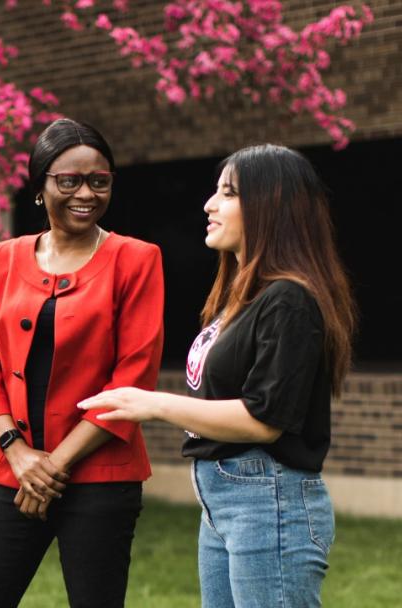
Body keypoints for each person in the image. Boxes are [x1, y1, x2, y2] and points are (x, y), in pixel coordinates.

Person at [80, 144, 355, 608]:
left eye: (228, 194)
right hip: (224, 500)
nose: (209, 204)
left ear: (271, 206)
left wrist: (152, 404)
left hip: (269, 500)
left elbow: (264, 419)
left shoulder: (289, 299)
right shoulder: (240, 296)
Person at [0, 118, 165, 607]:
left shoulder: (137, 259)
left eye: (99, 181)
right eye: (68, 181)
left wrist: (52, 466)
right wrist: (18, 454)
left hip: (101, 478)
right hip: (14, 472)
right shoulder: (0, 258)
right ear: (40, 187)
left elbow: (131, 379)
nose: (86, 193)